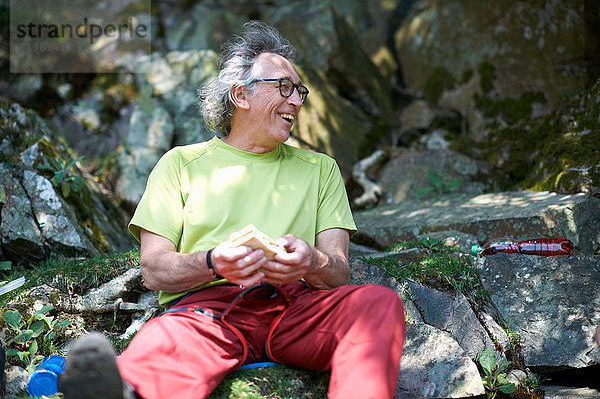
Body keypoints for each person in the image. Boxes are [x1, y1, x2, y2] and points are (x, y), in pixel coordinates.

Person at [58, 21, 406, 399]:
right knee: (164, 340)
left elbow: (339, 274)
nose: (297, 101)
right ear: (241, 95)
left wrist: (310, 262)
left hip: (296, 309)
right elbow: (154, 269)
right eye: (284, 88)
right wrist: (213, 262)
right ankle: (125, 392)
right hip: (205, 314)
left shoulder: (321, 169)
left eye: (300, 91)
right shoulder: (180, 164)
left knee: (377, 302)